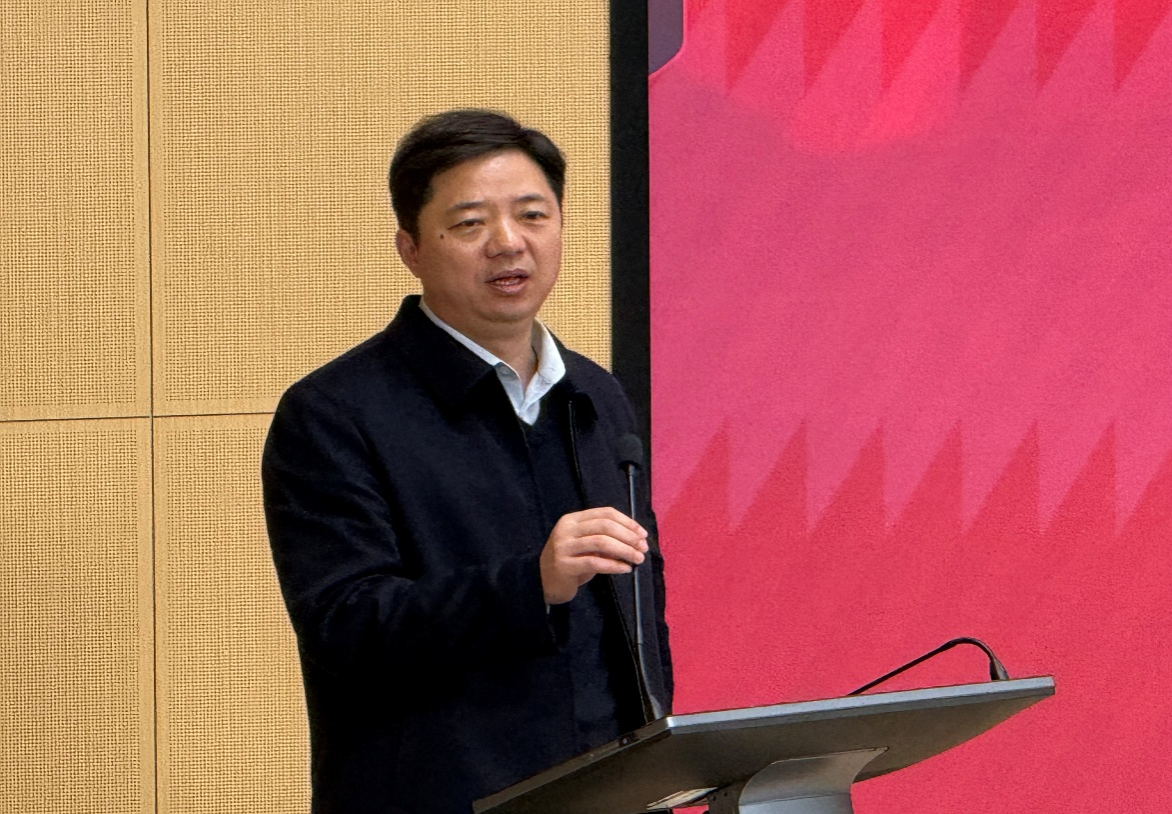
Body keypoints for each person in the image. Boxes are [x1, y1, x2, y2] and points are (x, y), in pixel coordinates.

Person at [262, 109, 672, 814]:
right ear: (411, 248)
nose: (508, 243)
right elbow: (345, 625)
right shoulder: (334, 414)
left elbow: (638, 616)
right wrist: (531, 584)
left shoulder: (594, 395)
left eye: (533, 215)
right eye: (471, 223)